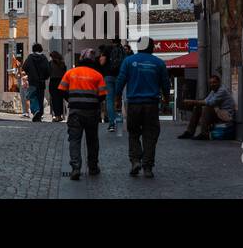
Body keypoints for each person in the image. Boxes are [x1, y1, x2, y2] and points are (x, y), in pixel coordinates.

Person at [116, 36, 171, 177]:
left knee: (133, 134)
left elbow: (120, 80)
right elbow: (165, 84)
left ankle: (135, 161)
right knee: (150, 135)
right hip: (151, 105)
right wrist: (166, 100)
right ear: (151, 47)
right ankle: (147, 167)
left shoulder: (128, 61)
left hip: (133, 104)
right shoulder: (158, 63)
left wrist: (117, 99)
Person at [58, 48, 107, 180]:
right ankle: (93, 167)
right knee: (92, 140)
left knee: (74, 139)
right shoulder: (98, 75)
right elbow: (102, 96)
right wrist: (94, 102)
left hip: (75, 112)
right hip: (92, 112)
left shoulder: (71, 73)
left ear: (81, 59)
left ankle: (75, 167)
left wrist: (71, 100)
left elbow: (61, 90)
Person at [178, 73, 237, 140]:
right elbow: (205, 100)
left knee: (207, 108)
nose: (212, 84)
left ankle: (204, 134)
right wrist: (195, 103)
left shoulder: (222, 91)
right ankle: (189, 132)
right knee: (198, 108)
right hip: (219, 113)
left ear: (219, 82)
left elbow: (209, 103)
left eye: (214, 82)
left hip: (227, 115)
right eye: (211, 83)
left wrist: (191, 101)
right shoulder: (213, 91)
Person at [104, 39, 128, 132]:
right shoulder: (123, 50)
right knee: (119, 97)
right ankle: (119, 121)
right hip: (120, 76)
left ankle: (111, 124)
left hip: (109, 76)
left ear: (112, 42)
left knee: (110, 99)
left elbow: (102, 62)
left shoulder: (108, 49)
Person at [22, 44, 51, 122]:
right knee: (40, 98)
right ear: (41, 49)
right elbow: (48, 70)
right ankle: (39, 114)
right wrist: (45, 77)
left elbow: (24, 67)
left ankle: (35, 111)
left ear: (33, 49)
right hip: (41, 82)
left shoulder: (30, 58)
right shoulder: (44, 58)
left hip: (32, 81)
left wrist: (29, 74)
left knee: (32, 97)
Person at [47, 51, 68, 122]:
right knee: (61, 98)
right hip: (62, 82)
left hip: (53, 82)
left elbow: (48, 72)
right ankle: (62, 114)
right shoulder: (62, 63)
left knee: (55, 99)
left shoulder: (50, 63)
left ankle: (57, 116)